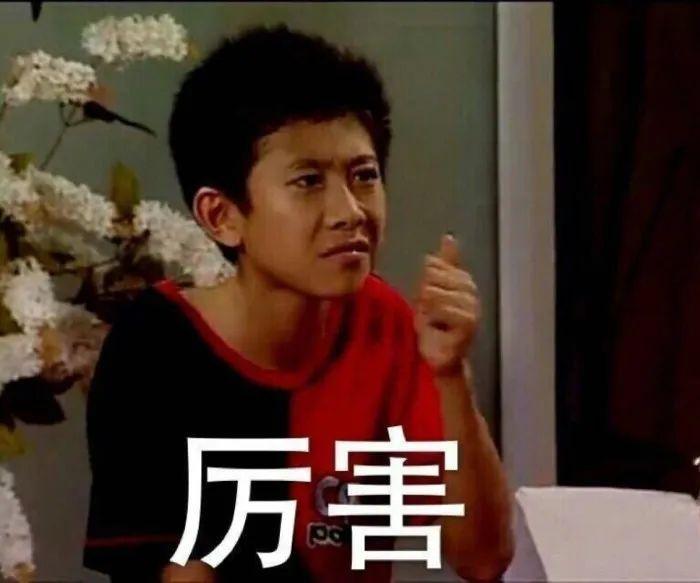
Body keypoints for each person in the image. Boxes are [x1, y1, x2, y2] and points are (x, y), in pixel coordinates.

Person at [83, 24, 514, 583]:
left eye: (364, 176)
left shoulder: (384, 323)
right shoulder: (156, 348)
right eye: (308, 181)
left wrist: (449, 374)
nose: (350, 211)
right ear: (222, 216)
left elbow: (483, 558)